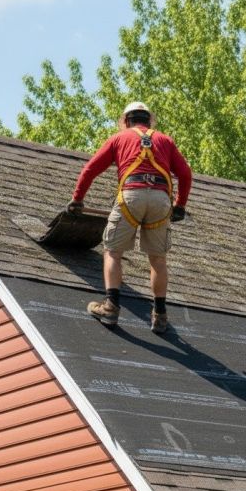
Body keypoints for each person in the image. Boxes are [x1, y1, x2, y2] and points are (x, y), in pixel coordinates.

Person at [67, 101, 193, 334]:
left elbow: (90, 169)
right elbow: (185, 174)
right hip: (160, 201)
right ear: (149, 121)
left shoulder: (119, 138)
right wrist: (180, 205)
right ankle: (160, 315)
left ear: (126, 121)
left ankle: (111, 308)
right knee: (158, 258)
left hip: (131, 197)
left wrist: (77, 199)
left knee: (113, 251)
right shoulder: (165, 141)